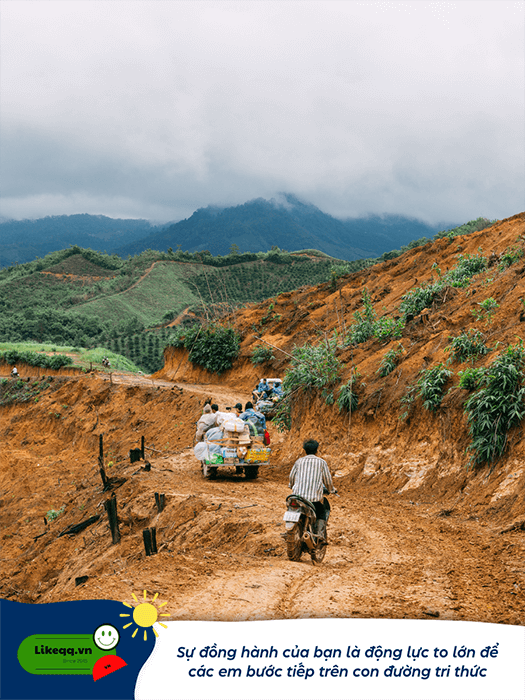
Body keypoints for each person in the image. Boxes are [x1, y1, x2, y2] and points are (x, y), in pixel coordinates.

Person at [289, 439, 336, 530]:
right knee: (321, 512)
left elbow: (291, 477)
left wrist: (291, 485)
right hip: (314, 499)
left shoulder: (299, 462)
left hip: (298, 498)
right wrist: (331, 490)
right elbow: (327, 480)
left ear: (305, 450)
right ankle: (320, 534)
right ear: (316, 450)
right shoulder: (321, 462)